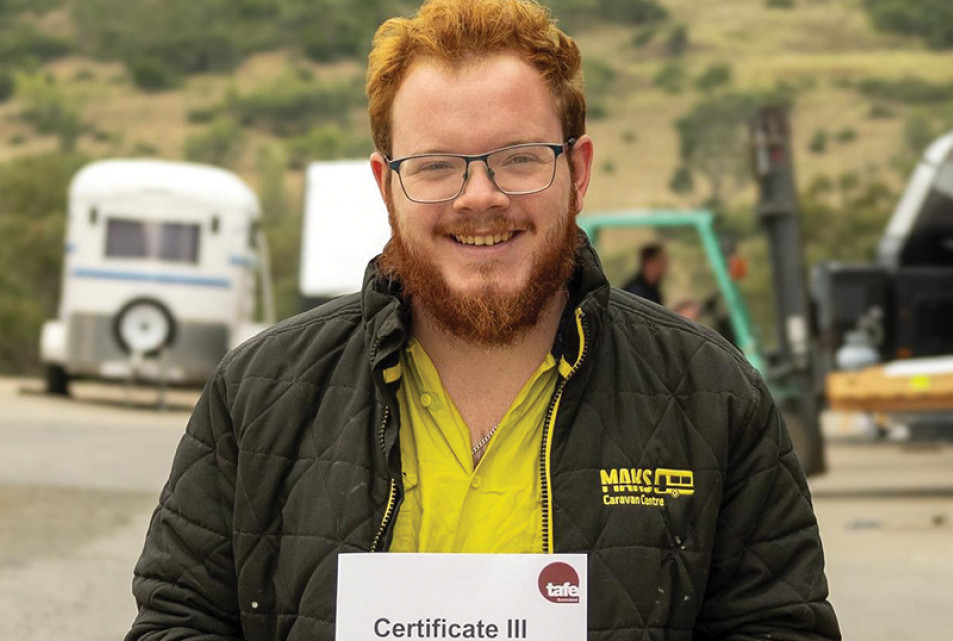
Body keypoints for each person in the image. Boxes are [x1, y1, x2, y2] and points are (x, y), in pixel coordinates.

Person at [126, 1, 840, 640]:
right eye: (436, 166)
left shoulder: (715, 399)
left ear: (578, 172)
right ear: (387, 187)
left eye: (519, 159)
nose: (480, 197)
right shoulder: (260, 392)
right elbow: (176, 621)